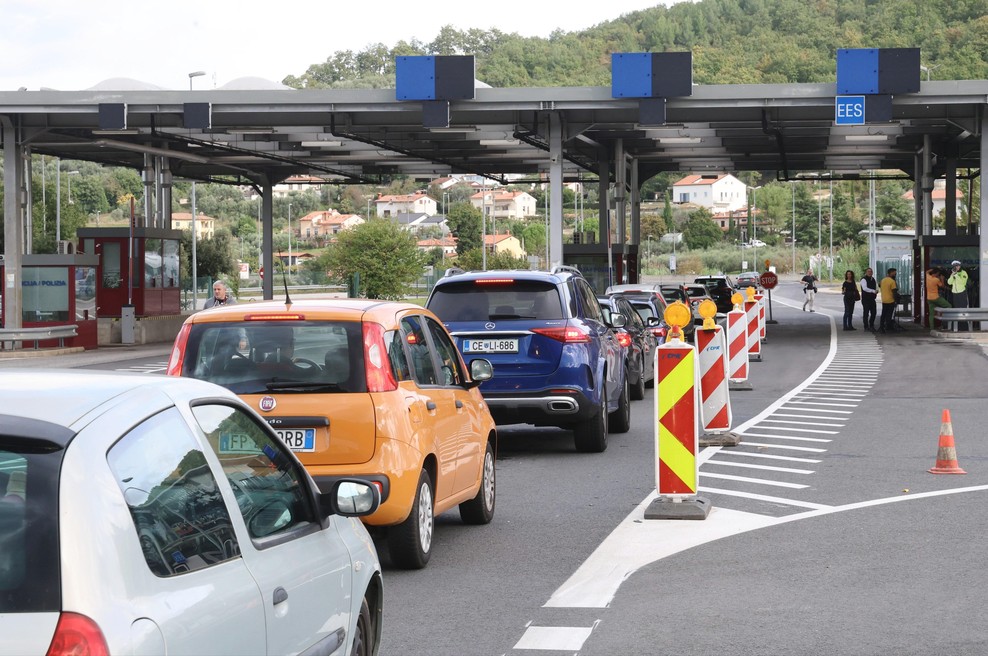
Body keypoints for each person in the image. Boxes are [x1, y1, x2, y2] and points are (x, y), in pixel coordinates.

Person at [947, 260, 969, 330]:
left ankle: (964, 327)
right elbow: (949, 282)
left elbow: (963, 283)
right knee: (956, 310)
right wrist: (952, 275)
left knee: (962, 310)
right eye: (955, 266)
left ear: (960, 266)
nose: (956, 267)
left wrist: (956, 275)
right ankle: (957, 327)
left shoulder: (963, 273)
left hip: (962, 293)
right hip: (955, 294)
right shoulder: (953, 273)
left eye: (957, 266)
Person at [879, 268, 898, 333]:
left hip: (884, 299)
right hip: (890, 300)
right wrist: (895, 300)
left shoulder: (883, 280)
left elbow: (879, 285)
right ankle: (888, 326)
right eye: (894, 273)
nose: (895, 274)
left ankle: (882, 327)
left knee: (883, 314)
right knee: (889, 315)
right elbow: (894, 292)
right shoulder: (892, 281)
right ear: (891, 273)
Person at [859, 267, 878, 331]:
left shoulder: (873, 279)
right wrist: (873, 291)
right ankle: (866, 326)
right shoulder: (863, 280)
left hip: (872, 299)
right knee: (866, 313)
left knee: (874, 312)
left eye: (871, 271)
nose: (870, 273)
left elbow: (875, 287)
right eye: (868, 271)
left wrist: (876, 291)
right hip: (866, 299)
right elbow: (864, 288)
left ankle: (871, 325)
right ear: (866, 272)